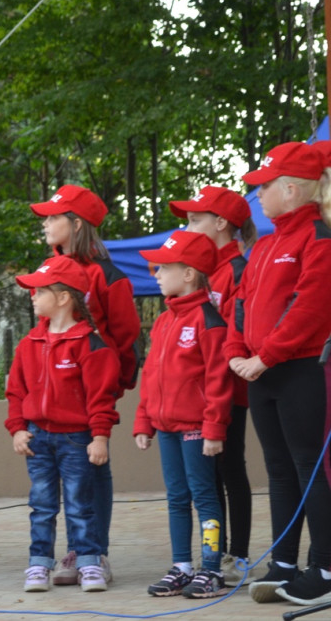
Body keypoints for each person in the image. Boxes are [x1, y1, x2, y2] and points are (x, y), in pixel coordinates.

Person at [224, 141, 331, 606]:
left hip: (301, 369)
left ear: (290, 189)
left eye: (262, 187)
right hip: (258, 373)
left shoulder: (319, 236)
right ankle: (285, 560)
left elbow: (310, 306)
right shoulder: (265, 245)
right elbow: (240, 306)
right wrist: (235, 352)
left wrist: (265, 356)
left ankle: (325, 566)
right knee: (279, 469)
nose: (257, 197)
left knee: (311, 469)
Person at [30, 184, 140, 584]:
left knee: (94, 469)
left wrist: (113, 384)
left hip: (92, 391)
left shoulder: (107, 274)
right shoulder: (48, 269)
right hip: (54, 394)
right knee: (61, 483)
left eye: (53, 216)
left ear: (75, 224)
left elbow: (127, 336)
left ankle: (94, 553)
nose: (45, 223)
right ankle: (78, 551)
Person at [5, 256, 118, 594]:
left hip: (76, 439)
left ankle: (89, 563)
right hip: (38, 438)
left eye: (39, 291)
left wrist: (99, 437)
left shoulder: (90, 345)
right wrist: (17, 428)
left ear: (64, 297)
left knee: (80, 504)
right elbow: (15, 391)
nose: (32, 296)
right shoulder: (29, 344)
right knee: (41, 505)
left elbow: (101, 398)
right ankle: (39, 564)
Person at [133, 230, 233, 599]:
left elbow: (217, 380)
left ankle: (211, 569)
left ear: (189, 273)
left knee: (204, 496)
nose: (155, 274)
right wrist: (144, 420)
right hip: (166, 427)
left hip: (195, 429)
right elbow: (151, 377)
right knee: (176, 496)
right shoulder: (163, 321)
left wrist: (213, 427)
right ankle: (182, 566)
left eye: (162, 267)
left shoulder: (209, 321)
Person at [169, 186, 256, 580]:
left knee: (230, 469)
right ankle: (212, 555)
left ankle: (236, 554)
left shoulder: (238, 270)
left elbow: (240, 330)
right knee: (209, 477)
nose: (188, 227)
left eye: (194, 219)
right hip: (199, 396)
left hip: (230, 390)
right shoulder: (199, 269)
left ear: (221, 223)